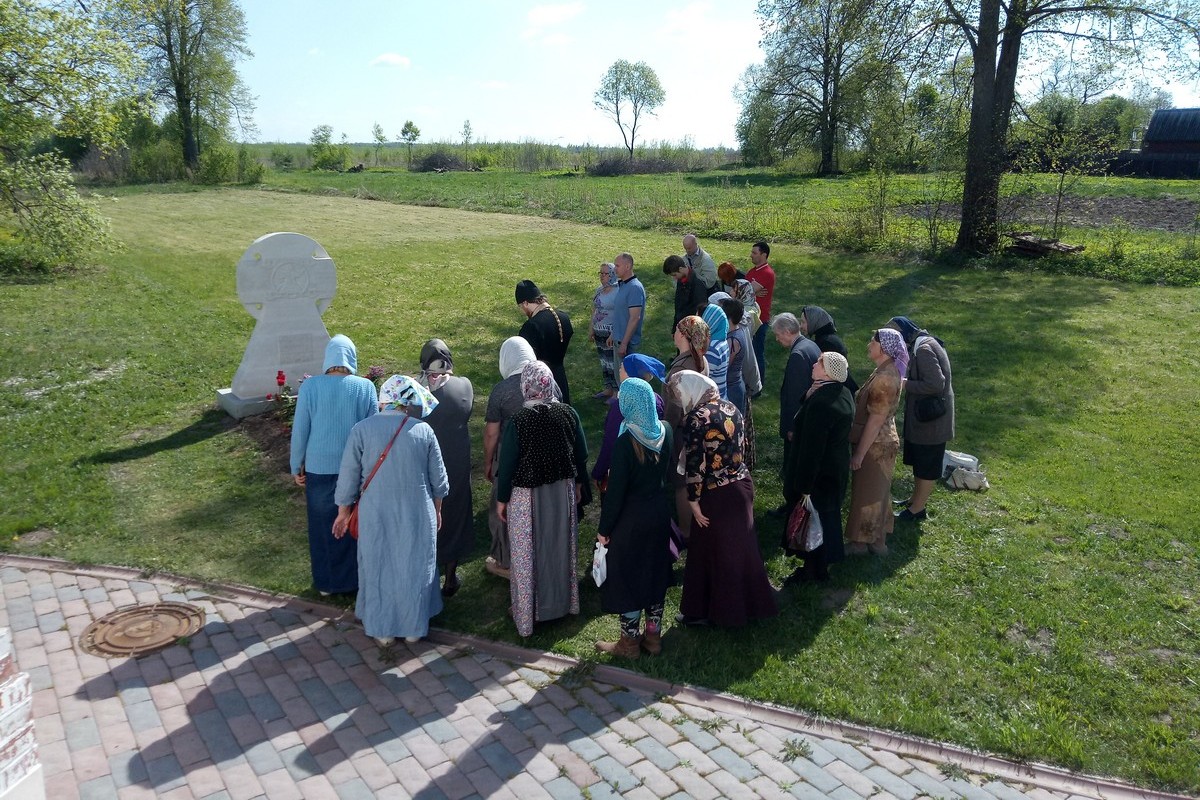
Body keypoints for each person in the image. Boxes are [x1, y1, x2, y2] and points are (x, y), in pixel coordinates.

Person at [333, 376, 447, 646]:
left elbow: (348, 476)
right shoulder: (424, 431)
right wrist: (437, 510)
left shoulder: (361, 430)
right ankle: (414, 629)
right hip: (418, 511)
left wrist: (342, 512)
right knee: (415, 566)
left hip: (376, 512)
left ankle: (381, 629)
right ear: (407, 402)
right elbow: (439, 482)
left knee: (378, 565)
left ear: (383, 399)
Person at [671, 370, 777, 627]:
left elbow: (696, 464)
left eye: (679, 394)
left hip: (716, 495)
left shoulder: (696, 419)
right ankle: (752, 604)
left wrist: (694, 502)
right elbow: (743, 446)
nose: (678, 399)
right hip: (741, 487)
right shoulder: (730, 407)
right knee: (742, 549)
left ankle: (717, 612)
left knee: (710, 553)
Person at [495, 361, 589, 637]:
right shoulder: (568, 413)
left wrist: (502, 499)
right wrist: (580, 484)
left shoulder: (519, 421)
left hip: (526, 496)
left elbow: (508, 464)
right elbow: (580, 452)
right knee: (559, 546)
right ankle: (563, 604)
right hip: (562, 491)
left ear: (526, 385)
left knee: (527, 553)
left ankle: (528, 613)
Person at [289, 334, 378, 596]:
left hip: (318, 468)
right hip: (355, 469)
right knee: (351, 523)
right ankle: (353, 579)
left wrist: (296, 465)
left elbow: (301, 430)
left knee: (321, 527)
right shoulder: (365, 388)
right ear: (352, 357)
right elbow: (373, 429)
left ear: (328, 358)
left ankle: (326, 582)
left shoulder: (310, 387)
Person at [594, 377, 674, 659]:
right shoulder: (666, 430)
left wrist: (604, 530)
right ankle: (653, 637)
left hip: (631, 519)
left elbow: (615, 493)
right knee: (654, 573)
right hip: (659, 514)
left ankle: (628, 643)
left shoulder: (626, 442)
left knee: (629, 578)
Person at [782, 352, 854, 583]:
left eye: (819, 363)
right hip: (835, 470)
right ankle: (822, 566)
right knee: (828, 517)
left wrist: (803, 486)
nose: (814, 364)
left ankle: (815, 571)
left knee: (816, 523)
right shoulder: (840, 392)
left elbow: (813, 450)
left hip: (819, 476)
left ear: (828, 372)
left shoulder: (822, 404)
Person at [417, 339, 473, 596]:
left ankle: (426, 572)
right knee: (456, 514)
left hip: (425, 461)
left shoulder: (417, 393)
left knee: (427, 516)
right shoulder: (464, 386)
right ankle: (450, 577)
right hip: (456, 458)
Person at [845, 329, 906, 555]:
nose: (869, 344)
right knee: (875, 491)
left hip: (877, 445)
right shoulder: (883, 371)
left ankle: (862, 543)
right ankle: (875, 541)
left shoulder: (885, 378)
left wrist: (860, 454)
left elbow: (876, 419)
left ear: (884, 348)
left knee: (868, 492)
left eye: (873, 341)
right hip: (880, 442)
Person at [889, 316, 955, 522]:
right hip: (927, 418)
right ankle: (915, 500)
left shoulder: (924, 350)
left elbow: (935, 384)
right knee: (920, 461)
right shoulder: (923, 344)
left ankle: (918, 509)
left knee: (926, 465)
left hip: (932, 421)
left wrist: (905, 383)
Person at [483, 336, 537, 578]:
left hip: (508, 458)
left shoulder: (502, 391)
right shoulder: (545, 381)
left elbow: (491, 433)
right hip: (541, 454)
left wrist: (488, 462)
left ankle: (506, 561)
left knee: (502, 508)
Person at [591, 354, 666, 495]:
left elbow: (611, 442)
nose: (619, 371)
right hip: (652, 467)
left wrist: (599, 472)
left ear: (630, 373)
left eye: (621, 368)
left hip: (628, 472)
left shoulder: (621, 407)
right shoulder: (656, 400)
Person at [665, 316, 709, 541]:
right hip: (702, 427)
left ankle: (686, 530)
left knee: (682, 484)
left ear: (683, 335)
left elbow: (673, 411)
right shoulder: (701, 359)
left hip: (683, 432)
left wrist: (665, 431)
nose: (673, 333)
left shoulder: (680, 370)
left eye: (676, 329)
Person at [772, 312, 821, 478]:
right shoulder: (809, 344)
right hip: (812, 415)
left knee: (793, 464)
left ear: (787, 332)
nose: (777, 339)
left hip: (800, 420)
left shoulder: (797, 356)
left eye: (778, 335)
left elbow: (795, 396)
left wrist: (792, 428)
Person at [516, 279, 574, 405]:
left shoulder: (532, 326)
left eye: (521, 306)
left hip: (540, 381)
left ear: (525, 303)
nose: (522, 310)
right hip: (560, 377)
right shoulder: (564, 318)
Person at [801, 306, 859, 395]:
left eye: (803, 322)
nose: (801, 326)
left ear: (814, 322)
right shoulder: (827, 339)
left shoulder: (827, 343)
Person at [746, 241, 775, 388]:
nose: (751, 255)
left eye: (754, 253)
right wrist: (750, 291)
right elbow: (744, 290)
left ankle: (758, 386)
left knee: (757, 353)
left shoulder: (767, 273)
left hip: (759, 321)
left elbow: (744, 291)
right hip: (749, 318)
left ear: (764, 255)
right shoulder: (752, 272)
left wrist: (749, 291)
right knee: (749, 353)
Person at [589, 262, 620, 399]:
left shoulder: (618, 291)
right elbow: (594, 310)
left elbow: (621, 314)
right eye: (600, 273)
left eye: (605, 273)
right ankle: (608, 388)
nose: (601, 276)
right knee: (603, 361)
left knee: (612, 362)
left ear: (612, 275)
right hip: (598, 331)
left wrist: (613, 334)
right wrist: (591, 329)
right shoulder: (599, 290)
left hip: (610, 332)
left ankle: (616, 392)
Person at [608, 252, 646, 360]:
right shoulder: (624, 285)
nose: (615, 269)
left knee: (626, 376)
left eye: (617, 266)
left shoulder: (634, 287)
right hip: (619, 340)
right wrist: (613, 334)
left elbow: (634, 318)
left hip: (628, 344)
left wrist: (624, 343)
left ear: (628, 266)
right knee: (619, 376)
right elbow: (621, 313)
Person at [663, 254, 708, 334]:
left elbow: (699, 311)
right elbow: (678, 307)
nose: (674, 278)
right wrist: (675, 330)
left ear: (681, 269)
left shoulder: (698, 284)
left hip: (693, 330)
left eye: (674, 275)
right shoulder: (681, 282)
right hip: (681, 327)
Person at [701, 302, 730, 400]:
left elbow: (704, 378)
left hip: (712, 401)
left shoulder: (712, 348)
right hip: (722, 394)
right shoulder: (722, 340)